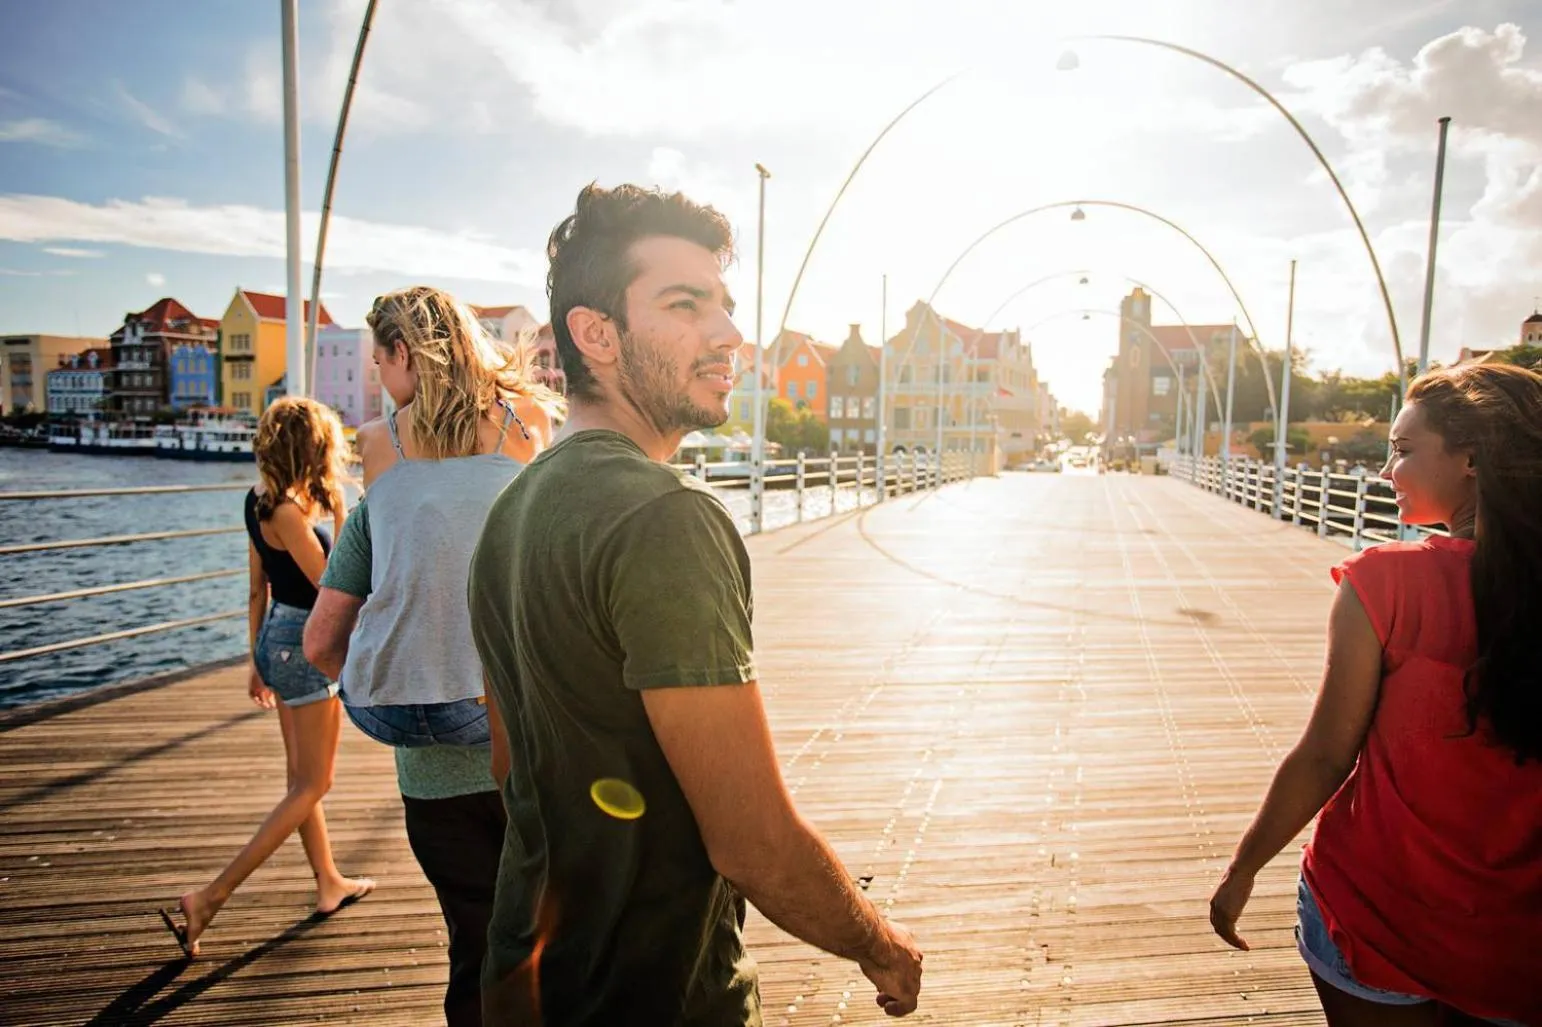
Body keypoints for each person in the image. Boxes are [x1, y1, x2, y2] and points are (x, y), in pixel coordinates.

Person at [467, 183, 925, 1025]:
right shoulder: (665, 517)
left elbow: (509, 766)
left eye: (723, 304)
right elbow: (752, 842)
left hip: (524, 976)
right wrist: (881, 945)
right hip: (652, 996)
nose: (728, 334)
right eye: (685, 304)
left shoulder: (513, 510)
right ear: (595, 334)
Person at [1209, 363, 1542, 1025]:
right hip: (1517, 943)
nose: (1386, 471)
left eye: (1403, 449)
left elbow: (1326, 755)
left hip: (1376, 918)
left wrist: (1241, 869)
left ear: (1470, 457)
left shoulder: (1386, 582)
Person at [160, 397, 374, 959]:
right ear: (312, 447)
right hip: (306, 644)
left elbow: (260, 588)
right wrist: (346, 516)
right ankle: (210, 897)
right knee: (313, 784)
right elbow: (334, 582)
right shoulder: (288, 513)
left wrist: (255, 658)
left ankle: (328, 882)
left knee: (301, 782)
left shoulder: (260, 501)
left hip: (279, 637)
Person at [304, 498, 504, 1027]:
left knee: (473, 944)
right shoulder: (528, 487)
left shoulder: (385, 505)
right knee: (557, 942)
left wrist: (382, 687)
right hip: (530, 768)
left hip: (432, 782)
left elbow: (322, 642)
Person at [333, 285, 556, 748]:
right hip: (484, 701)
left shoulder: (377, 439)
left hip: (381, 707)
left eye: (380, 365)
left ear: (401, 351)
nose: (380, 380)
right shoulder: (527, 419)